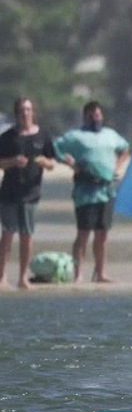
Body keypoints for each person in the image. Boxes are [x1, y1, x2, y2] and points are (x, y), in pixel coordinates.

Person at [52, 101, 131, 284]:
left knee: (102, 234)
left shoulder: (110, 135)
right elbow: (54, 148)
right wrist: (70, 163)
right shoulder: (76, 136)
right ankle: (78, 274)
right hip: (85, 191)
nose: (96, 118)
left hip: (106, 190)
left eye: (98, 115)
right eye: (92, 115)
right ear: (85, 116)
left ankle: (101, 273)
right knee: (83, 233)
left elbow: (125, 148)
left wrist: (116, 167)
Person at [0, 97, 56, 290]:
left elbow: (52, 163)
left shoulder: (43, 135)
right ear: (17, 113)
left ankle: (23, 277)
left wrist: (44, 163)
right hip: (9, 192)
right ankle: (2, 277)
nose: (25, 113)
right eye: (22, 110)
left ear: (33, 112)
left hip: (31, 193)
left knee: (27, 235)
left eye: (28, 110)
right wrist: (13, 162)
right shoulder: (8, 137)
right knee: (7, 234)